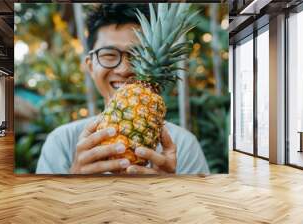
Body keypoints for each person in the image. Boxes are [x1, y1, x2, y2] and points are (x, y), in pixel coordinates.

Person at [36, 3, 210, 175]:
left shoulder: (185, 145)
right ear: (90, 66)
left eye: (137, 56)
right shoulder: (61, 142)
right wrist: (74, 179)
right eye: (109, 55)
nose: (124, 70)